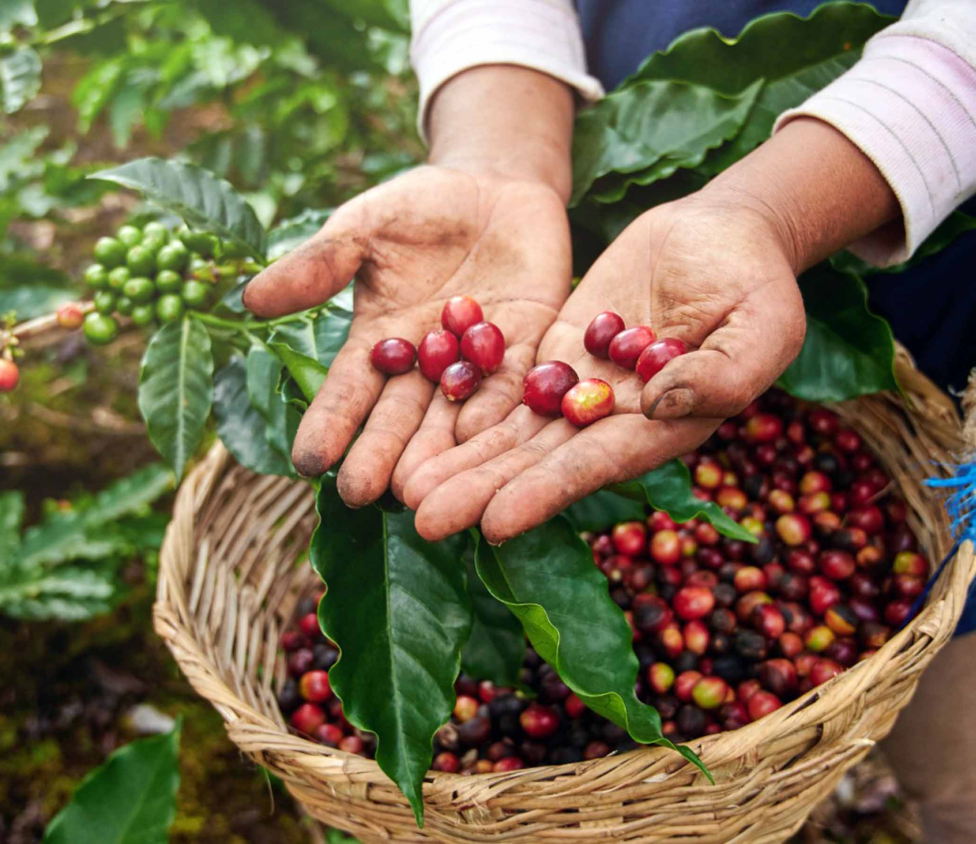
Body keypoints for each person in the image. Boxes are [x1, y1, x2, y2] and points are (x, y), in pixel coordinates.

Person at [243, 1, 976, 840]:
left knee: (952, 689)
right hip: (626, 211)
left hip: (931, 195)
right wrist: (498, 153)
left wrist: (776, 210)